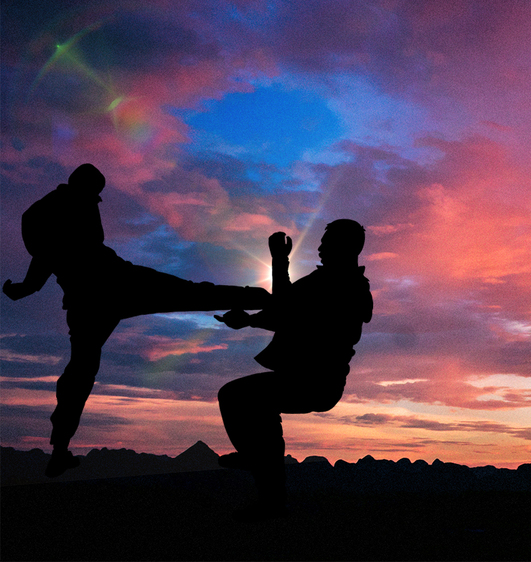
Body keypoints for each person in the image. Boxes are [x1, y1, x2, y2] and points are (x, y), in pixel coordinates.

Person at [3, 164, 270, 477]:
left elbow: (45, 259)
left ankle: (60, 449)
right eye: (96, 193)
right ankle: (261, 298)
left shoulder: (51, 212)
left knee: (81, 371)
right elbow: (51, 254)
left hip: (91, 298)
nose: (97, 201)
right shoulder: (61, 208)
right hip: (112, 286)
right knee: (188, 294)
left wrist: (25, 288)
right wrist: (27, 286)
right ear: (86, 187)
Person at [214, 219, 373, 518]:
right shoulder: (336, 284)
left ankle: (259, 468)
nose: (320, 247)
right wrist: (249, 320)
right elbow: (286, 313)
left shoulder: (340, 286)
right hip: (311, 381)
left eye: (328, 243)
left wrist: (279, 260)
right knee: (255, 410)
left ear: (347, 248)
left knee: (235, 397)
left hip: (314, 383)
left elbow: (284, 309)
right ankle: (270, 497)